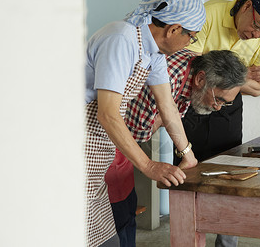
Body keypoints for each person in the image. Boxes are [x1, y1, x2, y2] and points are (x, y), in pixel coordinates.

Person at [84, 0, 206, 247]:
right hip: (72, 147)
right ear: (173, 29)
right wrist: (150, 166)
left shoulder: (153, 52)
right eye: (191, 37)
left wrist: (188, 155)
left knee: (102, 239)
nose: (190, 44)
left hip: (96, 153)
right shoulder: (121, 40)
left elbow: (168, 106)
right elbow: (107, 113)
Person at [181, 0, 260, 247]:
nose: (257, 35)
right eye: (257, 26)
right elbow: (190, 74)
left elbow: (259, 89)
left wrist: (224, 76)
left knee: (230, 178)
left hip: (230, 109)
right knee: (190, 177)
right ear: (247, 6)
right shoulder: (208, 13)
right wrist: (243, 75)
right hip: (192, 103)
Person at [106, 49, 247, 245]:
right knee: (116, 221)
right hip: (105, 142)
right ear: (200, 79)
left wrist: (188, 155)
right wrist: (150, 164)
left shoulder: (192, 69)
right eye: (219, 100)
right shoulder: (169, 76)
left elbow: (167, 114)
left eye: (225, 104)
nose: (217, 108)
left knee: (128, 212)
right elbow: (136, 129)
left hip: (122, 144)